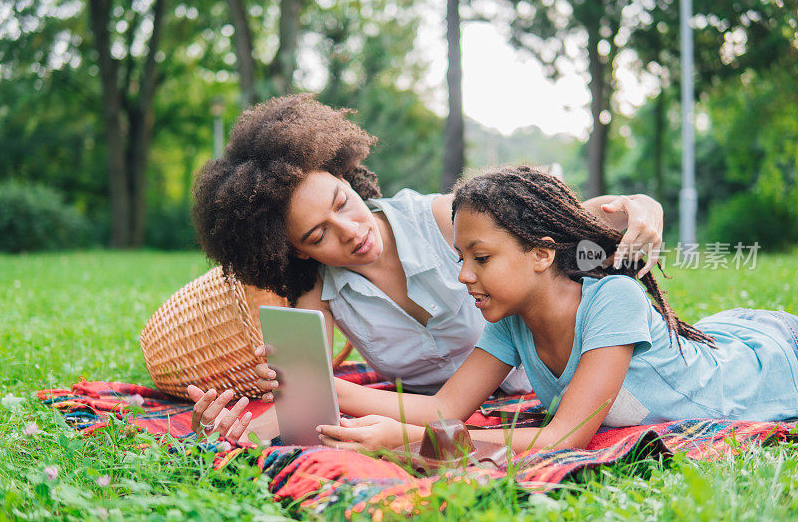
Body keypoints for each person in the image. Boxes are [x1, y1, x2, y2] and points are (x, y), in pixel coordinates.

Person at [186, 95, 665, 440]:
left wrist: (641, 206)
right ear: (296, 252)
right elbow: (307, 403)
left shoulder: (444, 218)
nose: (349, 229)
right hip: (440, 407)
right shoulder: (318, 291)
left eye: (342, 201)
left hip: (554, 381)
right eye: (318, 235)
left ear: (345, 174)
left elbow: (553, 224)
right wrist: (228, 428)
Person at [315, 166, 798, 453]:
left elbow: (563, 437)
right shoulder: (510, 323)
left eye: (480, 258)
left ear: (542, 253)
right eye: (460, 258)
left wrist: (408, 441)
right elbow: (444, 408)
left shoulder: (612, 298)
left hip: (771, 367)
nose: (463, 276)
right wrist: (322, 385)